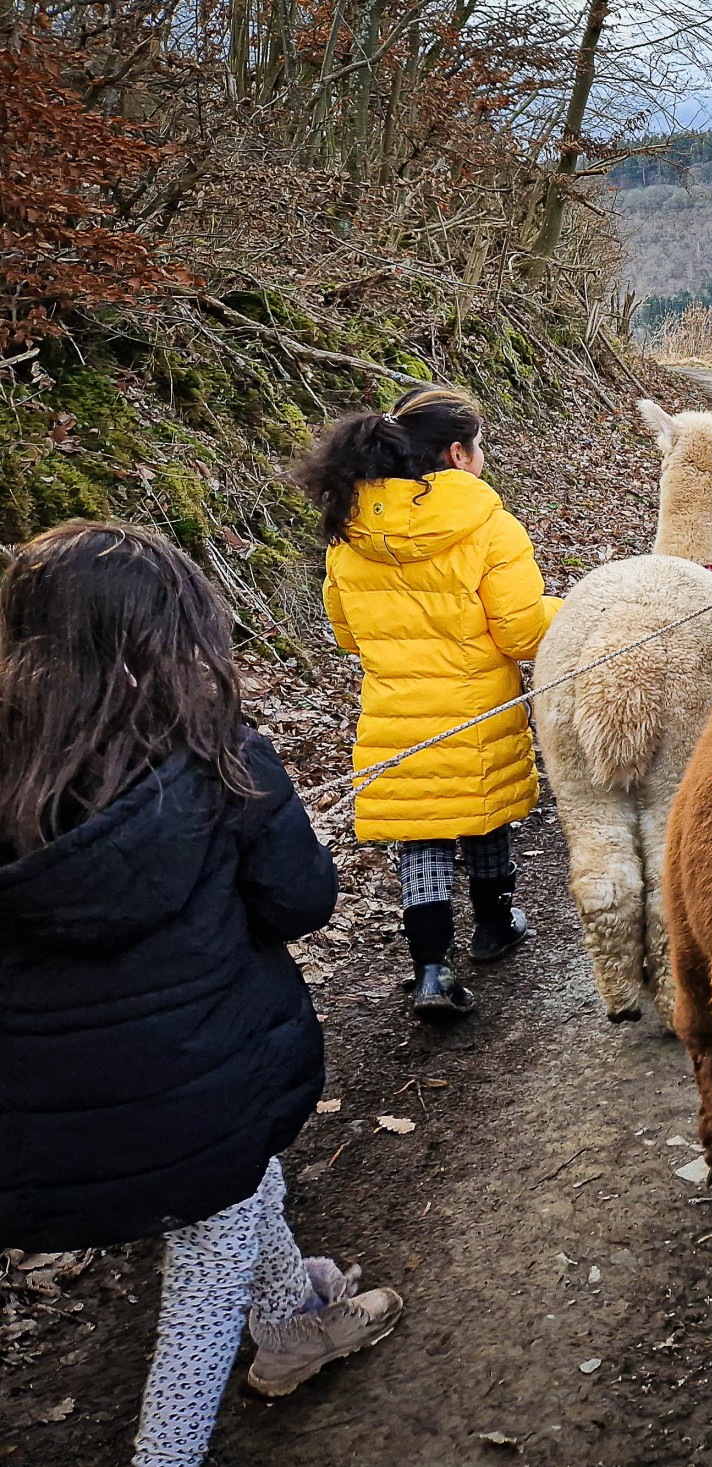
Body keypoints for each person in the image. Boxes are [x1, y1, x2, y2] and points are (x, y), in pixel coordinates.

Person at [0, 523, 403, 1467]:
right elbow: (302, 900)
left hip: (32, 1114)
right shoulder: (220, 755)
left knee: (240, 1184)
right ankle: (170, 1450)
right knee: (206, 1275)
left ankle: (297, 1317)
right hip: (194, 1092)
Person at [296, 387, 560, 1018]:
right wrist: (570, 613)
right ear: (456, 453)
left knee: (421, 833)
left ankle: (432, 973)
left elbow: (346, 634)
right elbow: (521, 633)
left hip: (395, 711)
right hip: (476, 706)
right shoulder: (489, 525)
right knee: (486, 811)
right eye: (479, 445)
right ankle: (496, 928)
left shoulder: (348, 527)